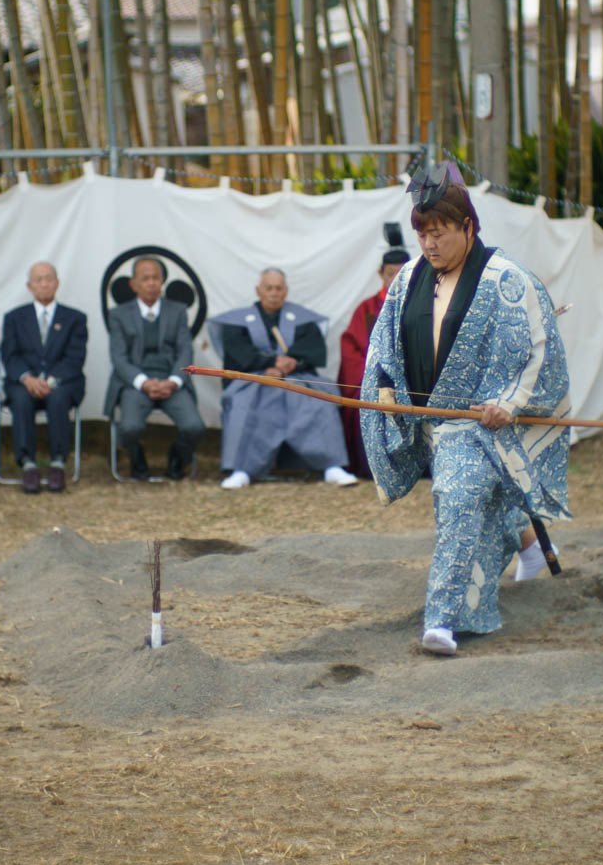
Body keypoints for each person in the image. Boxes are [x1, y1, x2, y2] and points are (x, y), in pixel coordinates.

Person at [361, 166, 574, 657]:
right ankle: (527, 544)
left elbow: (540, 349)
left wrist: (509, 404)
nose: (429, 245)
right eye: (422, 234)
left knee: (457, 501)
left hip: (478, 422)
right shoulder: (410, 277)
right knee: (483, 502)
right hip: (427, 419)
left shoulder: (507, 281)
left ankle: (442, 620)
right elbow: (383, 343)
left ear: (468, 228)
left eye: (438, 233)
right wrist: (388, 388)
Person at [217, 268, 360, 489]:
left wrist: (288, 366)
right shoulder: (240, 320)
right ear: (258, 291)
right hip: (256, 379)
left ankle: (331, 466)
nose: (274, 293)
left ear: (286, 291)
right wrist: (269, 364)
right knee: (244, 402)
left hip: (296, 377)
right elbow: (238, 353)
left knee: (320, 402)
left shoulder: (302, 319)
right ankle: (242, 470)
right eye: (269, 288)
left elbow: (312, 351)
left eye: (279, 288)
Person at [103, 255, 203, 480]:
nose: (151, 283)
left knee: (194, 427)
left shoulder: (177, 311)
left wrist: (173, 381)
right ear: (133, 284)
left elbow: (185, 352)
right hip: (135, 383)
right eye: (145, 278)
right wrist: (144, 383)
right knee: (128, 428)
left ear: (162, 281)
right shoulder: (119, 315)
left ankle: (178, 458)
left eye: (155, 278)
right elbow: (118, 358)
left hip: (171, 381)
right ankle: (135, 454)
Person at [0, 261, 88, 493]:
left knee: (58, 398)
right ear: (30, 286)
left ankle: (58, 463)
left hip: (61, 383)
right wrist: (27, 378)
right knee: (21, 399)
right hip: (24, 382)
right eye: (39, 280)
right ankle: (28, 464)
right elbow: (9, 355)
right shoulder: (14, 318)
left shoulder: (75, 318)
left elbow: (75, 357)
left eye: (49, 278)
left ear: (57, 283)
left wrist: (49, 381)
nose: (44, 284)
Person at [337, 237, 410, 478]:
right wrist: (372, 384)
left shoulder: (425, 307)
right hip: (374, 385)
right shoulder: (367, 309)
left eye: (403, 274)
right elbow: (351, 354)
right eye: (391, 273)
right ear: (381, 274)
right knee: (367, 405)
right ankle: (373, 469)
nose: (396, 280)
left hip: (413, 386)